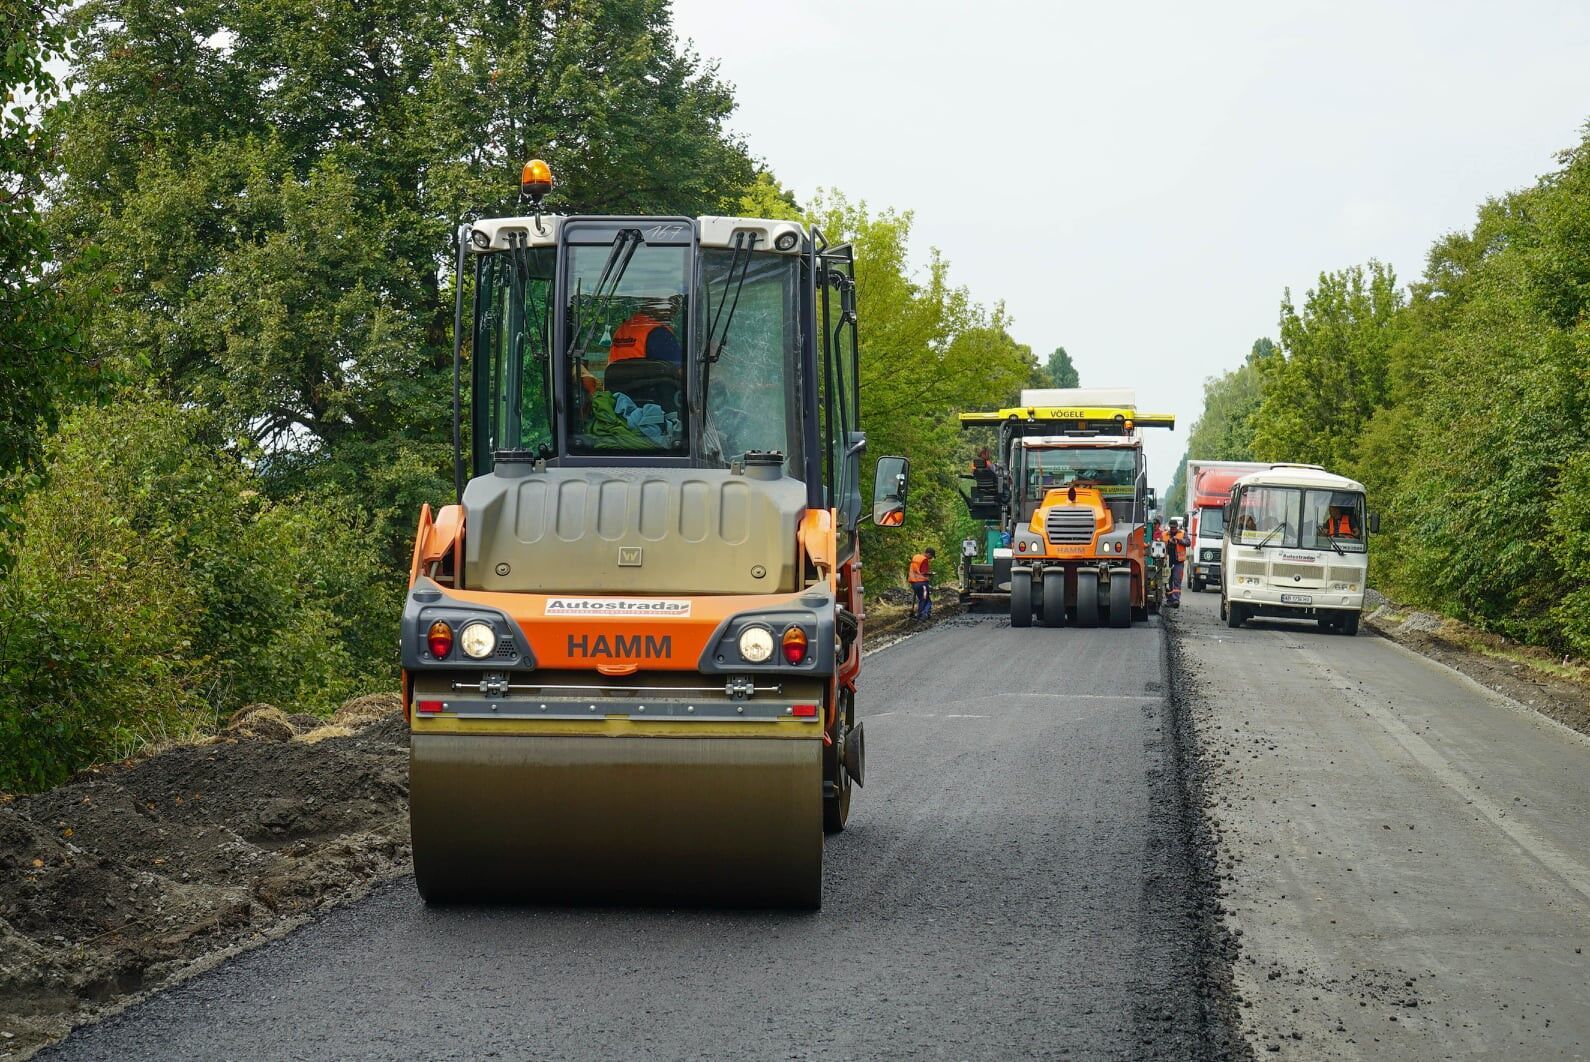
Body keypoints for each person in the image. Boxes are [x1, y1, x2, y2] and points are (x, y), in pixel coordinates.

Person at [1166, 518, 1190, 608]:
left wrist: (1179, 541)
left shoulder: (1182, 534)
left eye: (1174, 528)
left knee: (1177, 581)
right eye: (1171, 528)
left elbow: (1188, 542)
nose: (1172, 529)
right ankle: (1169, 600)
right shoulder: (1165, 535)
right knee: (1168, 581)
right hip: (1167, 562)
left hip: (1178, 562)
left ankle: (1176, 600)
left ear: (1177, 527)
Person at [908, 547, 935, 620]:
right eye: (931, 556)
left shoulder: (916, 557)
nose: (931, 558)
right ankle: (923, 615)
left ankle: (920, 614)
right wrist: (930, 574)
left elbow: (916, 570)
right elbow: (923, 572)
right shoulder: (924, 560)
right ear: (928, 554)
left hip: (914, 583)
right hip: (922, 583)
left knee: (922, 599)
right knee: (926, 600)